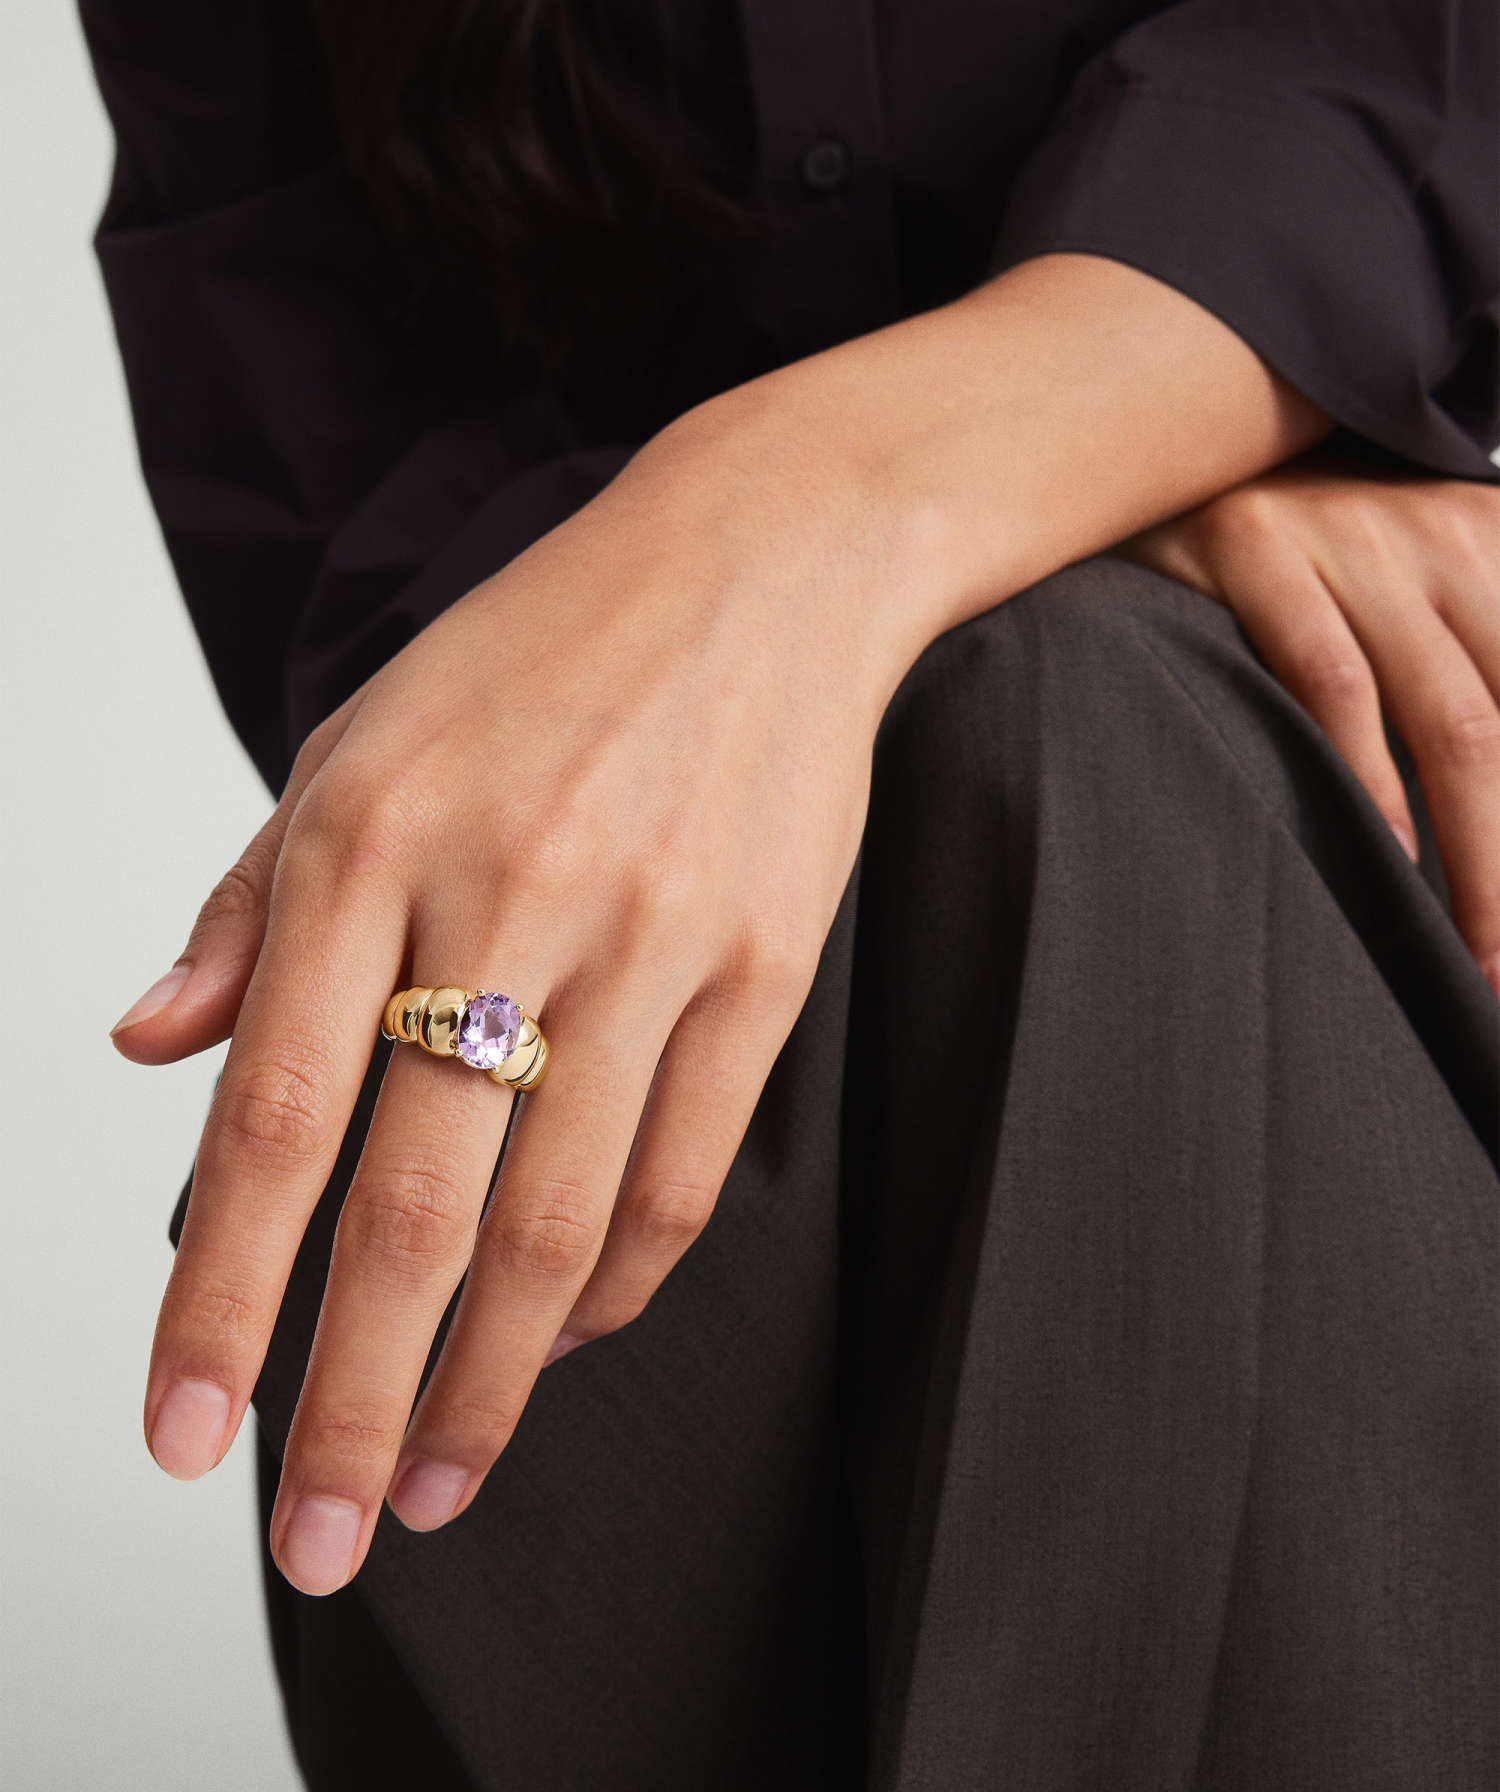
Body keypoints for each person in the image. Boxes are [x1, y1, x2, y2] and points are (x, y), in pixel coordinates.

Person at [83, 0, 1497, 1785]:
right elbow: (320, 398)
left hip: (1376, 763)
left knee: (1080, 759)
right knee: (456, 1118)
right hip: (698, 934)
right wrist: (1041, 505)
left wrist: (827, 510)